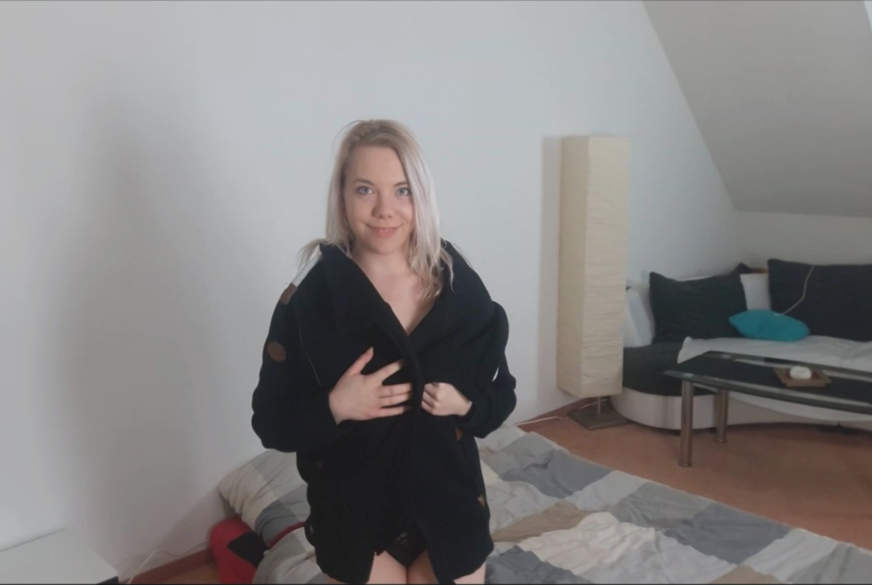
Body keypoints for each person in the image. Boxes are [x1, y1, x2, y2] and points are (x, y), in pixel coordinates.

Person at [251, 119, 517, 584]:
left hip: (450, 503)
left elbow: (500, 397)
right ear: (342, 196)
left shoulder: (460, 286)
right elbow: (270, 422)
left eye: (402, 190)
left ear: (421, 196)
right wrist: (336, 406)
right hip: (352, 511)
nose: (384, 210)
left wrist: (466, 406)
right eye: (365, 190)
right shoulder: (309, 300)